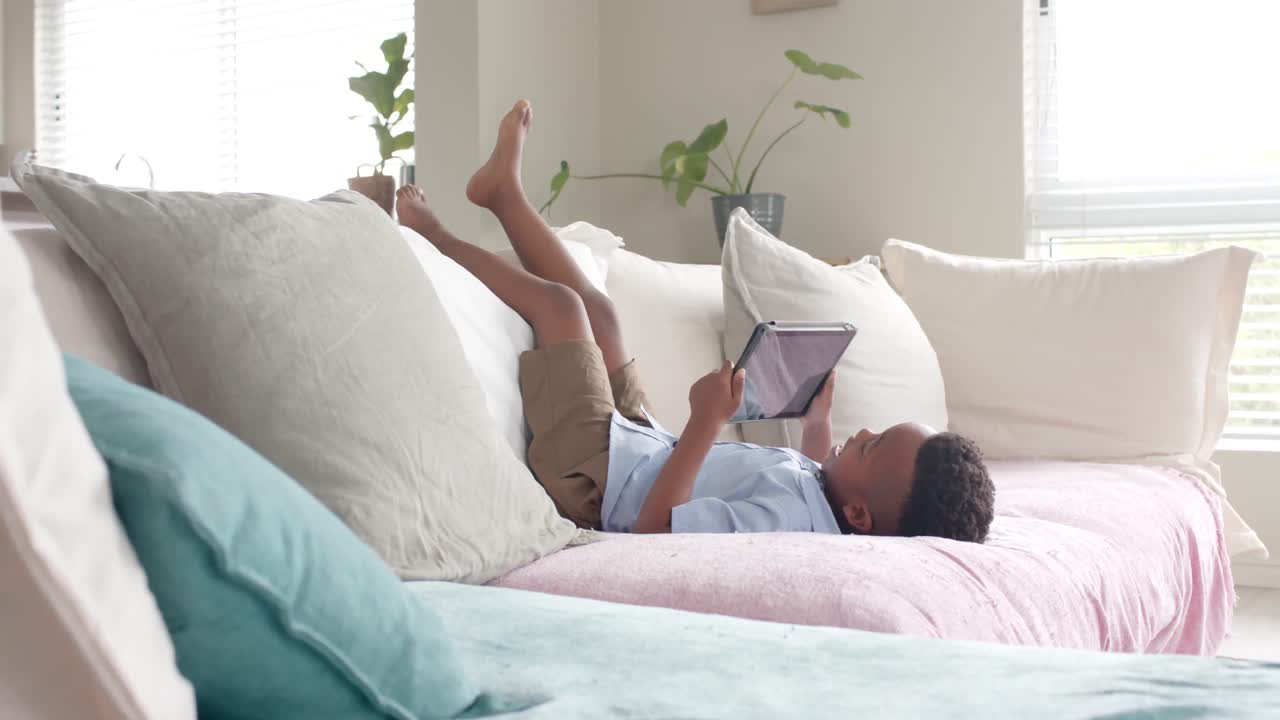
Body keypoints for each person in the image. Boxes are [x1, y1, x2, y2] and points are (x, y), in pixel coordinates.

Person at [396, 99, 995, 541]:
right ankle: (502, 195)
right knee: (602, 317)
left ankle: (434, 233)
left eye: (873, 445)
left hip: (594, 484)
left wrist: (709, 421)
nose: (864, 435)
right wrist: (819, 420)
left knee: (564, 309)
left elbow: (658, 533)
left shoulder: (787, 522)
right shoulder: (826, 505)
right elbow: (819, 470)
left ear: (861, 515)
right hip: (634, 446)